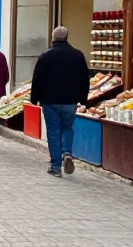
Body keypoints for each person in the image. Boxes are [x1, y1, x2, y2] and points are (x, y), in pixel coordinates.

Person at [30, 25, 90, 178]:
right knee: (67, 128)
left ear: (53, 38)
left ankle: (55, 166)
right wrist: (83, 98)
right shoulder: (78, 55)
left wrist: (34, 97)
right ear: (67, 37)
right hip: (70, 101)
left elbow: (37, 79)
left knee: (53, 131)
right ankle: (67, 152)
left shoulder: (46, 56)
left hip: (50, 101)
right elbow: (85, 79)